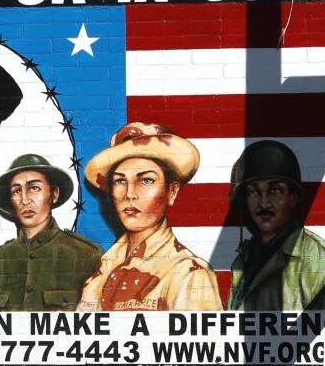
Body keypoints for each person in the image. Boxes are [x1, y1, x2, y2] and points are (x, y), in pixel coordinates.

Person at [78, 122, 222, 313]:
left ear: (172, 191)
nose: (130, 194)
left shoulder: (188, 274)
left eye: (146, 180)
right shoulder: (104, 266)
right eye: (120, 181)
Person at [0, 153, 102, 313]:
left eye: (34, 188)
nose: (24, 200)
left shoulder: (86, 255)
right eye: (16, 191)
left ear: (54, 194)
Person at [225, 139, 325, 312]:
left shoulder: (318, 260)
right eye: (253, 192)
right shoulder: (245, 258)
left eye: (275, 190)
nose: (264, 203)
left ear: (293, 198)